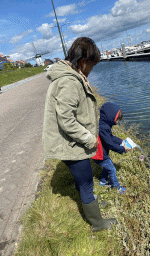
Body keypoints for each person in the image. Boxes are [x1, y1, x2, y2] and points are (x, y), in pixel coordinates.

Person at [42, 37, 117, 232]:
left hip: (71, 141)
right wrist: (89, 138)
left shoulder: (71, 76)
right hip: (71, 144)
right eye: (92, 65)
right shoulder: (70, 82)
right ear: (83, 62)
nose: (92, 70)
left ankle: (91, 206)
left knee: (83, 181)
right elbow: (66, 120)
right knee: (86, 182)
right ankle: (97, 223)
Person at [92, 102, 130, 194]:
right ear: (110, 117)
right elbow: (110, 144)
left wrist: (121, 141)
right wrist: (122, 149)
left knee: (107, 167)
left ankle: (103, 181)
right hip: (100, 154)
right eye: (117, 120)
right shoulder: (103, 128)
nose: (116, 123)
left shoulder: (104, 124)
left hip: (102, 153)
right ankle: (118, 188)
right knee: (112, 169)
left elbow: (110, 137)